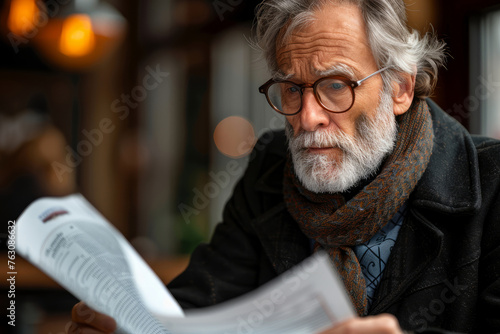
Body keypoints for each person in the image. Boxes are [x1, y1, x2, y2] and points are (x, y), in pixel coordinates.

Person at [69, 0, 500, 333]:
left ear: (401, 88)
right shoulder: (270, 171)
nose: (307, 116)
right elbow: (197, 306)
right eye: (291, 90)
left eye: (335, 85)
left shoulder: (494, 182)